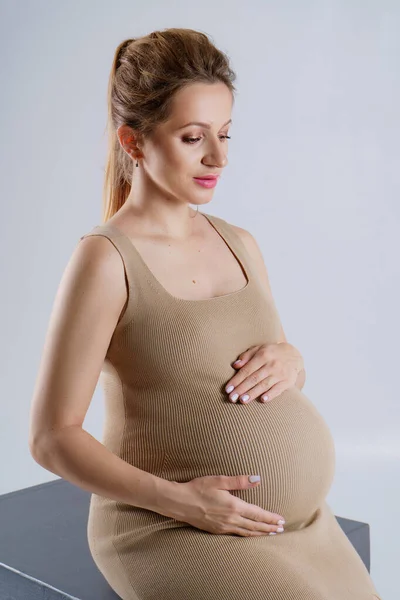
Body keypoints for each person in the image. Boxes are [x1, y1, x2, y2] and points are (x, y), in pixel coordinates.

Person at [29, 28, 382, 600]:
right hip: (173, 528)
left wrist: (291, 360)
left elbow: (271, 379)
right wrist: (184, 502)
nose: (218, 157)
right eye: (194, 137)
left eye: (224, 134)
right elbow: (51, 438)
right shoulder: (106, 259)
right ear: (134, 141)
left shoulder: (240, 242)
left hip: (301, 525)